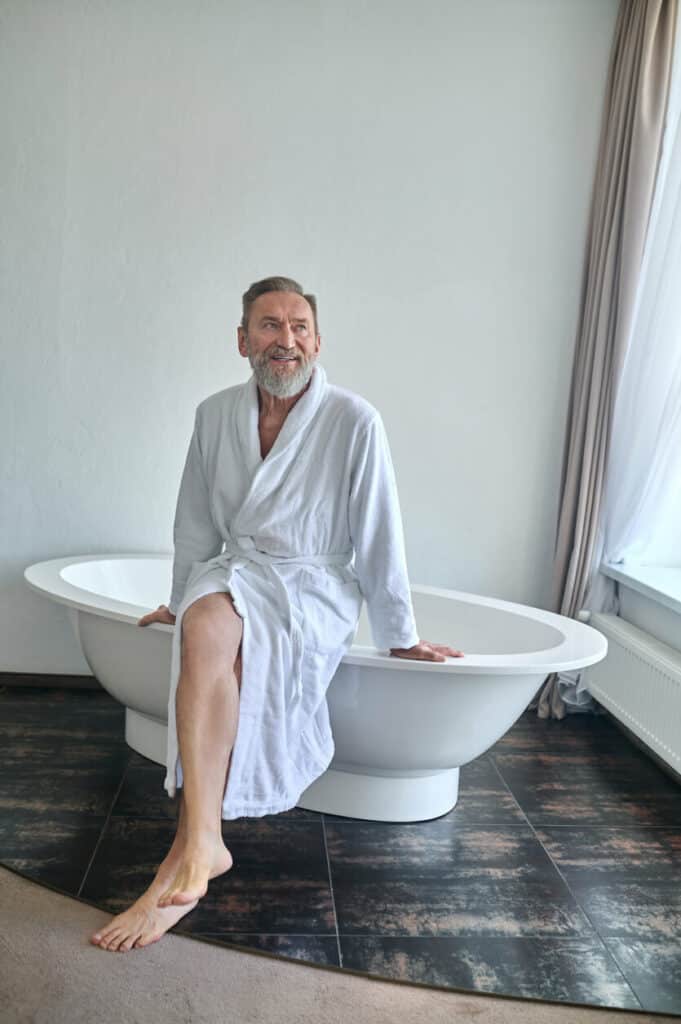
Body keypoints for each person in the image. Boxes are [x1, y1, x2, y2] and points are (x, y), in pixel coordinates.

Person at [90, 275, 463, 953]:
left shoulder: (353, 419)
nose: (283, 339)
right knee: (204, 626)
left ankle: (189, 853)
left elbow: (379, 532)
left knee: (216, 637)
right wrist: (180, 597)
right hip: (236, 571)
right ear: (242, 340)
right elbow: (194, 521)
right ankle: (204, 841)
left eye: (297, 327)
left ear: (317, 342)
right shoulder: (214, 414)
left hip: (311, 585)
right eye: (267, 325)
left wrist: (398, 634)